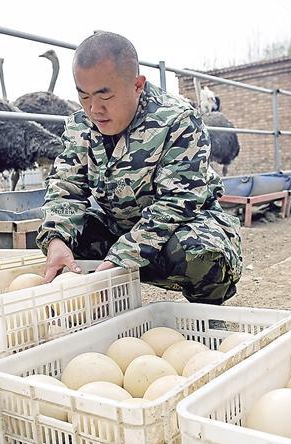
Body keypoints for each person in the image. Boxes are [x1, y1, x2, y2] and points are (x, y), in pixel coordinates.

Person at [36, 31, 242, 305]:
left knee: (200, 253)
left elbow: (177, 203)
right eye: (84, 96)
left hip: (177, 229)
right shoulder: (80, 126)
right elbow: (65, 188)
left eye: (104, 96)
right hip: (119, 228)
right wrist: (56, 237)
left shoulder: (177, 120)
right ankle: (109, 312)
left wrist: (123, 256)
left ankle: (207, 313)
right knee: (63, 239)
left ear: (137, 85)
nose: (94, 109)